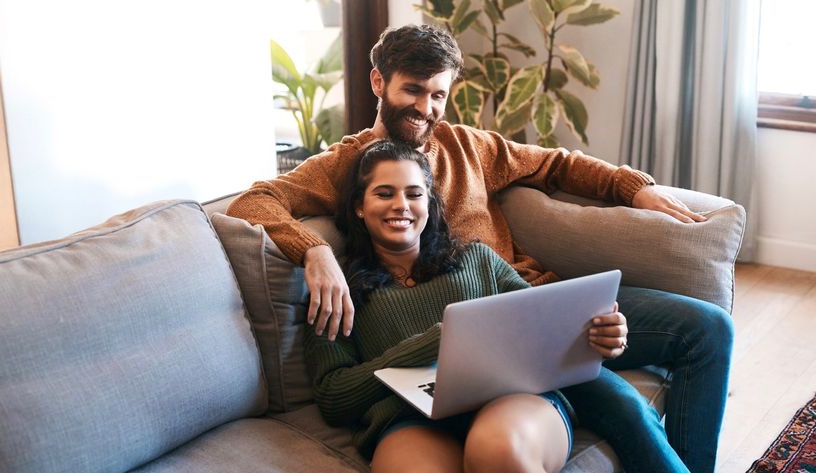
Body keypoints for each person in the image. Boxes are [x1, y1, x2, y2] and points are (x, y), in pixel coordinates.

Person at [227, 24, 733, 473]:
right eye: (413, 90)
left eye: (438, 95)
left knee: (704, 330)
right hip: (456, 366)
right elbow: (255, 200)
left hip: (534, 310)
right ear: (379, 83)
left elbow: (556, 164)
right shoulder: (345, 167)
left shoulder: (469, 146)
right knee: (619, 403)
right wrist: (313, 251)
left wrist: (632, 187)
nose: (426, 109)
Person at [305, 140, 688, 472]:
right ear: (359, 206)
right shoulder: (338, 290)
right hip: (409, 420)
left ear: (430, 201)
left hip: (510, 400)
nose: (401, 206)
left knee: (499, 452)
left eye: (414, 193)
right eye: (385, 193)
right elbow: (334, 398)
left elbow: (547, 331)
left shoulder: (477, 259)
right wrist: (436, 342)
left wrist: (604, 338)